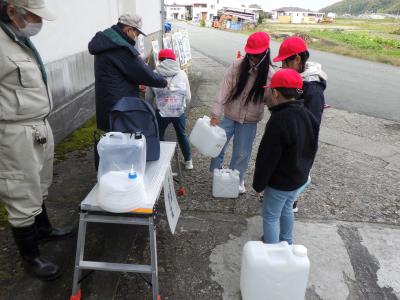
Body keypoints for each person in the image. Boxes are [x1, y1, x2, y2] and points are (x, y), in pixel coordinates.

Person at [0, 0, 73, 280]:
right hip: (14, 132)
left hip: (39, 126)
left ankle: (44, 229)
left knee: (40, 183)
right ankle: (31, 257)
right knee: (20, 191)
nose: (38, 22)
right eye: (34, 16)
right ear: (11, 11)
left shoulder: (19, 38)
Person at [252, 69, 319, 244]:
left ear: (275, 92)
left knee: (270, 216)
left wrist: (258, 184)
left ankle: (273, 252)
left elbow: (267, 157)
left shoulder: (279, 120)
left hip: (281, 182)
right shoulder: (308, 115)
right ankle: (287, 243)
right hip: (299, 178)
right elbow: (312, 148)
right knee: (287, 208)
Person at [210, 31, 275, 193]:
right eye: (251, 55)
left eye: (257, 55)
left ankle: (236, 180)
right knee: (216, 146)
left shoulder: (271, 76)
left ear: (266, 53)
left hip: (249, 121)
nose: (253, 59)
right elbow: (223, 90)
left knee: (242, 153)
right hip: (229, 116)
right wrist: (216, 114)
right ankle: (216, 173)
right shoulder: (236, 66)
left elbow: (273, 102)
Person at [273, 36, 327, 212]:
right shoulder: (299, 79)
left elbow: (310, 123)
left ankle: (291, 202)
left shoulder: (313, 88)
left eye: (285, 63)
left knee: (296, 171)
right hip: (289, 134)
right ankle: (284, 199)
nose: (282, 68)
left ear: (297, 59)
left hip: (301, 141)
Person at [88, 13, 168, 131]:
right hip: (119, 105)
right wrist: (163, 82)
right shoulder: (121, 47)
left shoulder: (107, 41)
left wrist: (134, 83)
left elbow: (119, 72)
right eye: (136, 33)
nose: (136, 37)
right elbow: (142, 72)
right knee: (123, 142)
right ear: (128, 29)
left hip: (107, 101)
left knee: (113, 138)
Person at [145, 49, 193, 169]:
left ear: (160, 60)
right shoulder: (181, 74)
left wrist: (151, 111)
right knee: (182, 135)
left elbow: (148, 97)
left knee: (159, 135)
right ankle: (188, 162)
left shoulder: (154, 74)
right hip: (178, 111)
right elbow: (188, 97)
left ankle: (160, 161)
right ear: (174, 60)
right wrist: (181, 106)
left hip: (161, 112)